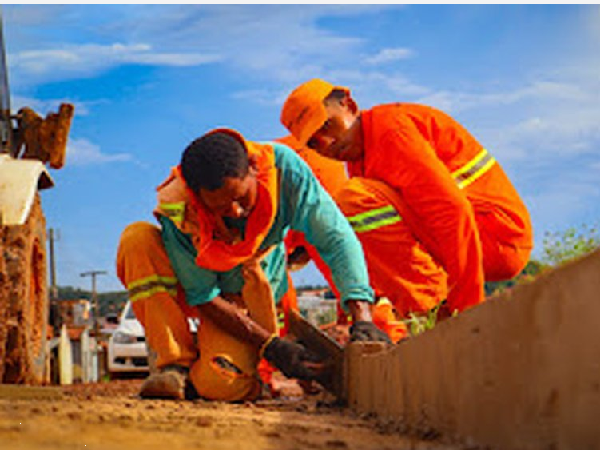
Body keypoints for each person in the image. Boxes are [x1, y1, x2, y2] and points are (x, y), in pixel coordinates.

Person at [116, 128, 390, 402]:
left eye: (241, 198)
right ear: (197, 196)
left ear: (254, 169)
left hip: (246, 298)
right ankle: (174, 366)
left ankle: (234, 376)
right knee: (136, 238)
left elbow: (334, 238)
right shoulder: (179, 207)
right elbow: (203, 295)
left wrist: (361, 315)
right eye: (221, 208)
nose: (235, 212)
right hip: (206, 299)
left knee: (220, 386)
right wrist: (270, 346)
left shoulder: (285, 172)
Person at [280, 79, 533, 320]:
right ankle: (422, 311)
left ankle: (429, 309)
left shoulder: (390, 131)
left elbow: (450, 211)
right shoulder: (360, 157)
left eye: (327, 126)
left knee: (352, 203)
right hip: (482, 240)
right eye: (314, 144)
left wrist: (466, 309)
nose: (327, 144)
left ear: (350, 105)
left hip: (497, 238)